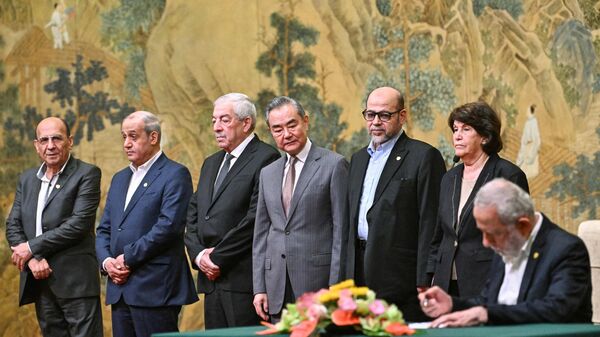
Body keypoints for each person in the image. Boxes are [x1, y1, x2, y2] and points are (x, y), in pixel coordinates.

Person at [419, 178, 592, 327]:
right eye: (482, 233)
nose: (486, 243)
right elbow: (489, 303)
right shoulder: (507, 242)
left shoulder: (566, 249)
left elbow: (556, 309)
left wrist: (487, 314)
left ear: (523, 225)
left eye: (492, 234)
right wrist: (452, 304)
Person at [344, 87, 446, 321]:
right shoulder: (358, 159)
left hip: (401, 277)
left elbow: (430, 222)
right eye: (370, 114)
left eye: (384, 115)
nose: (376, 122)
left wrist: (425, 277)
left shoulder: (423, 156)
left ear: (402, 116)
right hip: (358, 271)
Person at [95, 111, 197, 337]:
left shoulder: (175, 174)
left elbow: (169, 227)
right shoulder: (120, 178)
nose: (126, 144)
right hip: (119, 287)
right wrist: (107, 262)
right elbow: (104, 229)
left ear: (153, 137)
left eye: (133, 136)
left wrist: (127, 258)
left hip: (155, 287)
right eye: (123, 137)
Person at [185, 93, 279, 328]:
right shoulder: (211, 162)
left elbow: (256, 218)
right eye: (214, 120)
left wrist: (216, 258)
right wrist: (199, 256)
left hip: (243, 280)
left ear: (246, 123)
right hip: (211, 279)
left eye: (224, 120)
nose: (216, 127)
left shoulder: (267, 158)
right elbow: (194, 213)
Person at [253, 96, 348, 321]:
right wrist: (259, 287)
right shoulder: (268, 173)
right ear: (270, 131)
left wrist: (336, 289)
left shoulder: (334, 165)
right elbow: (261, 235)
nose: (286, 134)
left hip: (317, 284)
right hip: (276, 284)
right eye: (277, 129)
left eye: (292, 125)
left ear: (305, 121)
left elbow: (341, 232)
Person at [6, 117, 103, 337]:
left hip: (76, 283)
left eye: (57, 139)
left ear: (69, 141)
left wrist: (30, 248)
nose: (50, 145)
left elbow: (78, 224)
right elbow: (13, 224)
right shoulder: (27, 179)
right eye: (44, 140)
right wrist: (31, 259)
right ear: (36, 145)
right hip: (40, 281)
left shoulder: (87, 174)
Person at [427, 101, 529, 298]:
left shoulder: (508, 175)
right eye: (455, 129)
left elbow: (518, 238)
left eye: (466, 129)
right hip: (445, 281)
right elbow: (439, 234)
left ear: (485, 136)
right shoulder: (449, 178)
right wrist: (429, 275)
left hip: (487, 279)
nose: (457, 135)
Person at [516, 104, 541, 179]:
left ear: (531, 112)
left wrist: (531, 145)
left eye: (527, 111)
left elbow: (535, 138)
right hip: (526, 145)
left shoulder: (533, 122)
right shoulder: (528, 122)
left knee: (527, 166)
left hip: (529, 146)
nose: (526, 113)